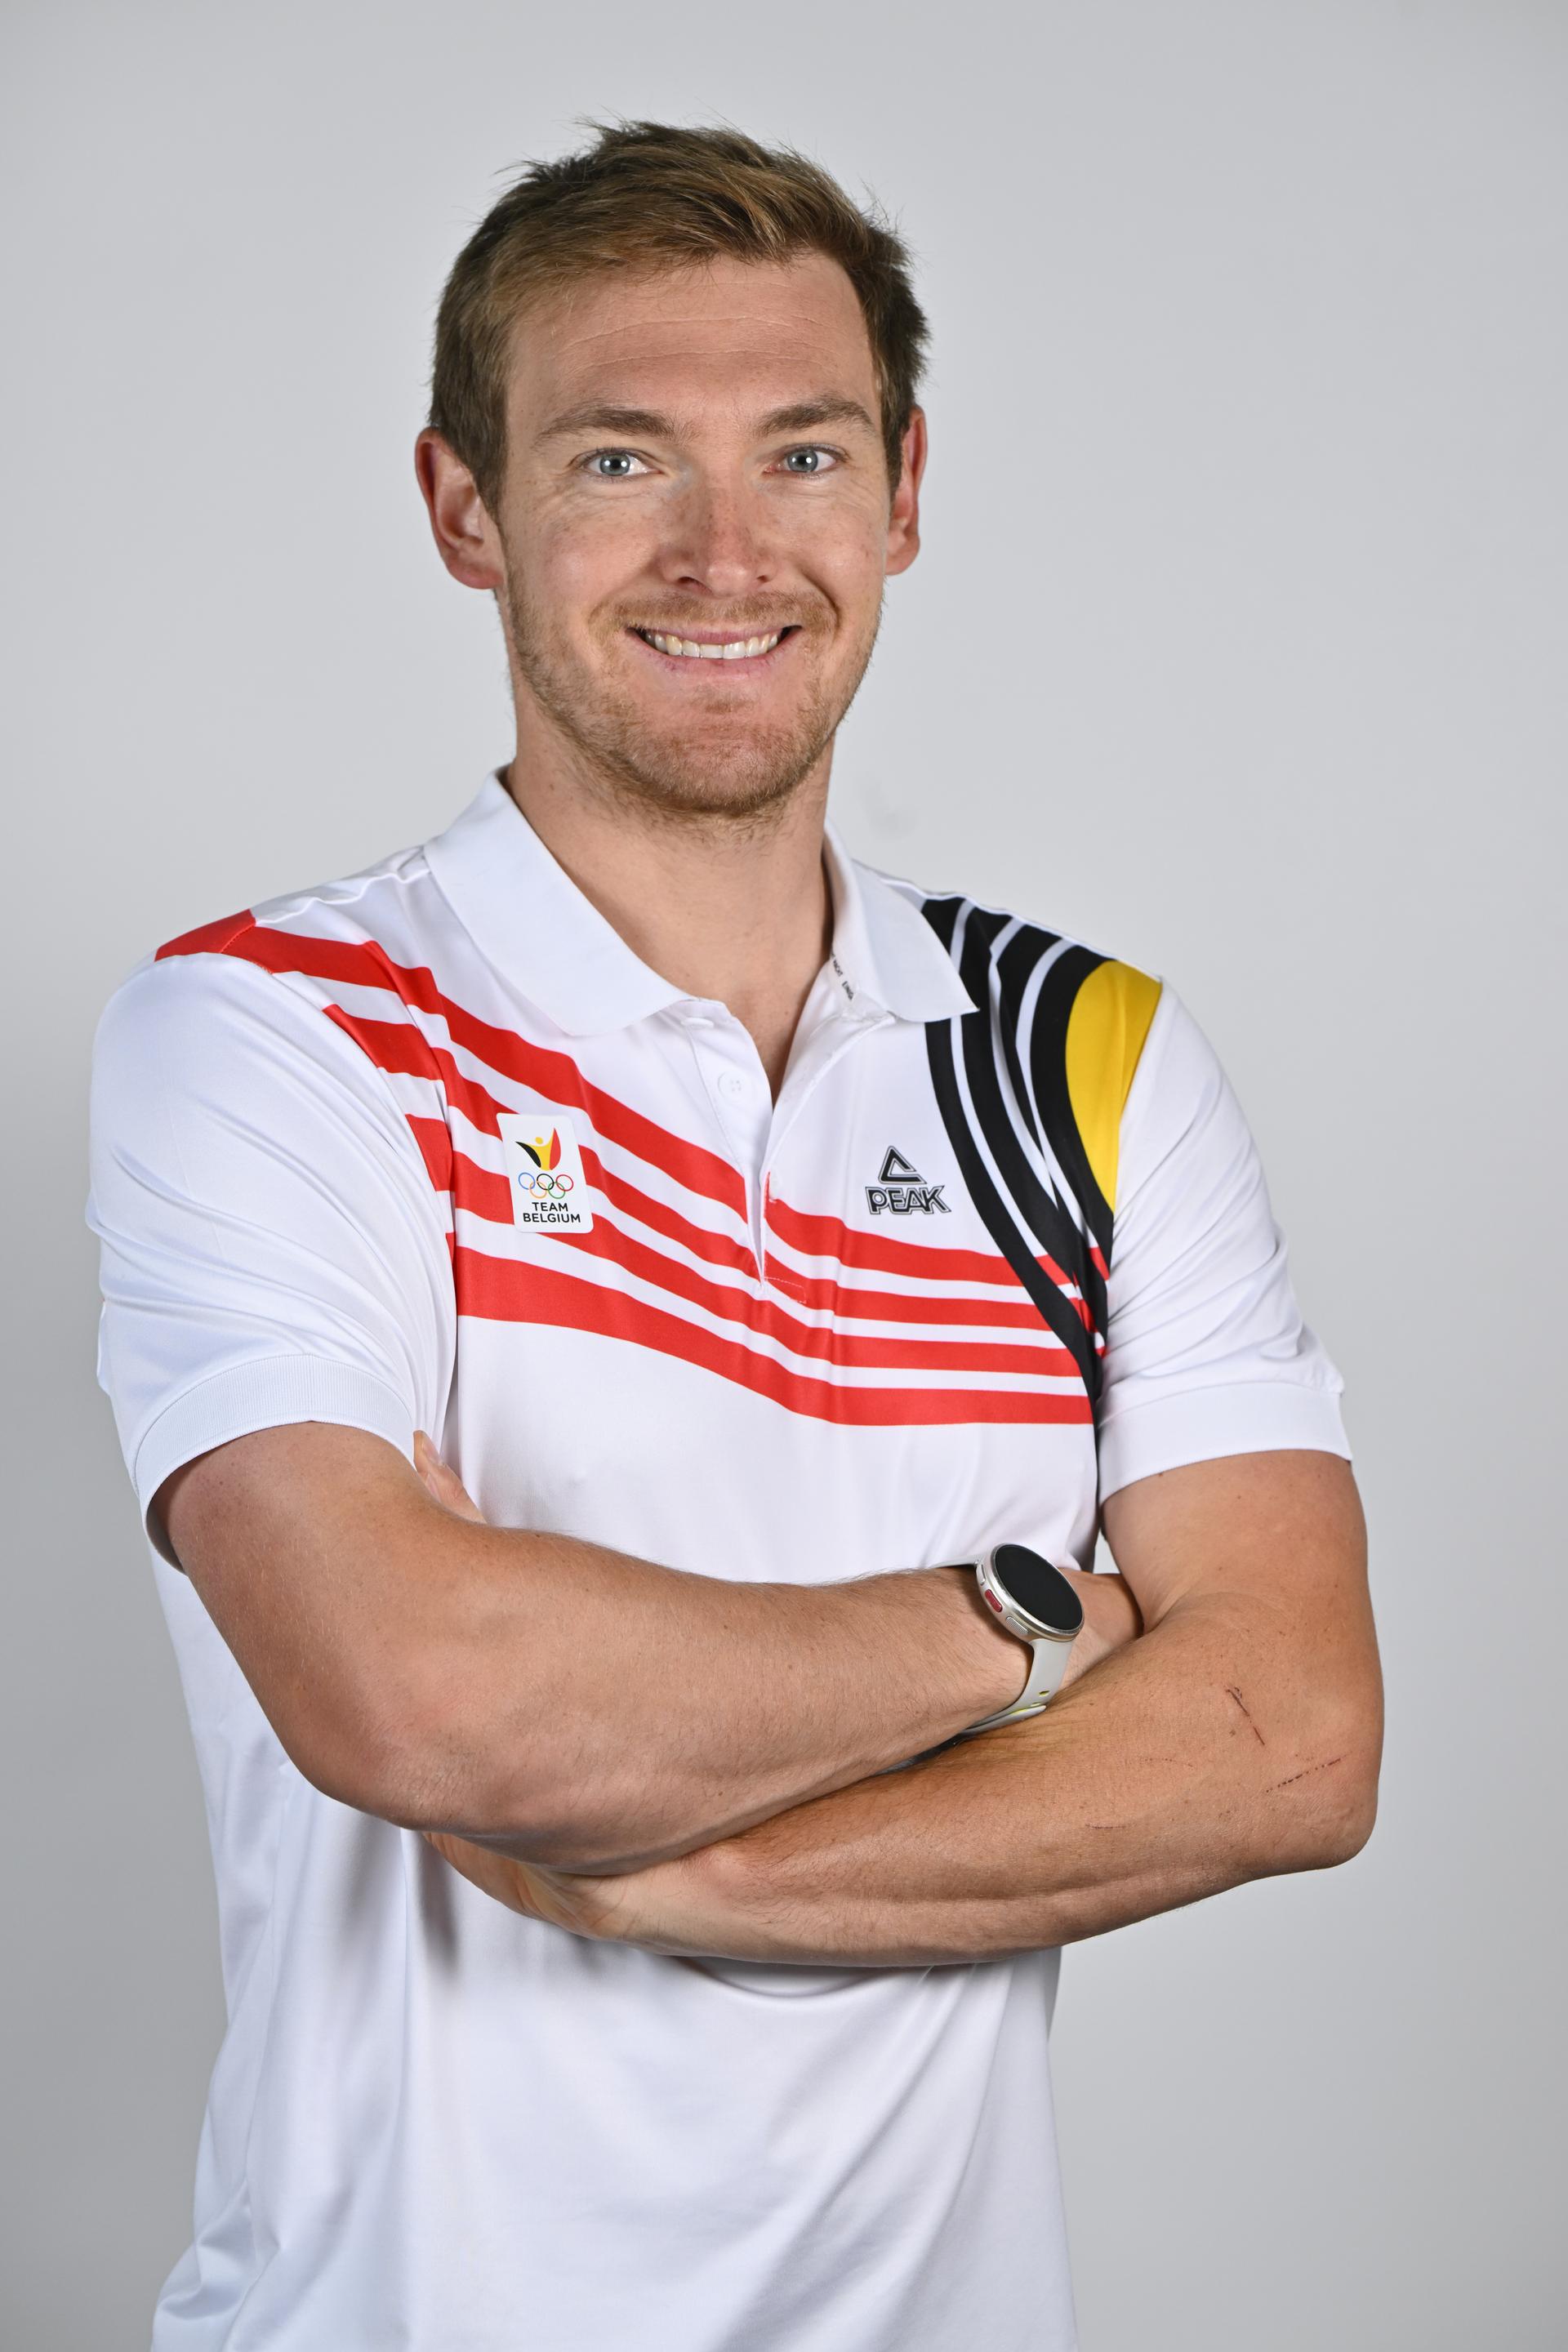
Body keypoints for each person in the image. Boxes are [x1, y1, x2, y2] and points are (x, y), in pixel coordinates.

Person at [87, 121, 1383, 2352]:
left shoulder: (1086, 1059)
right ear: (461, 506)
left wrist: (684, 1875)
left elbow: (1289, 1730)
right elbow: (428, 1691)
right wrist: (1025, 1627)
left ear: (900, 493)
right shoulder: (275, 1032)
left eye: (798, 452)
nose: (721, 552)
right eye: (615, 461)